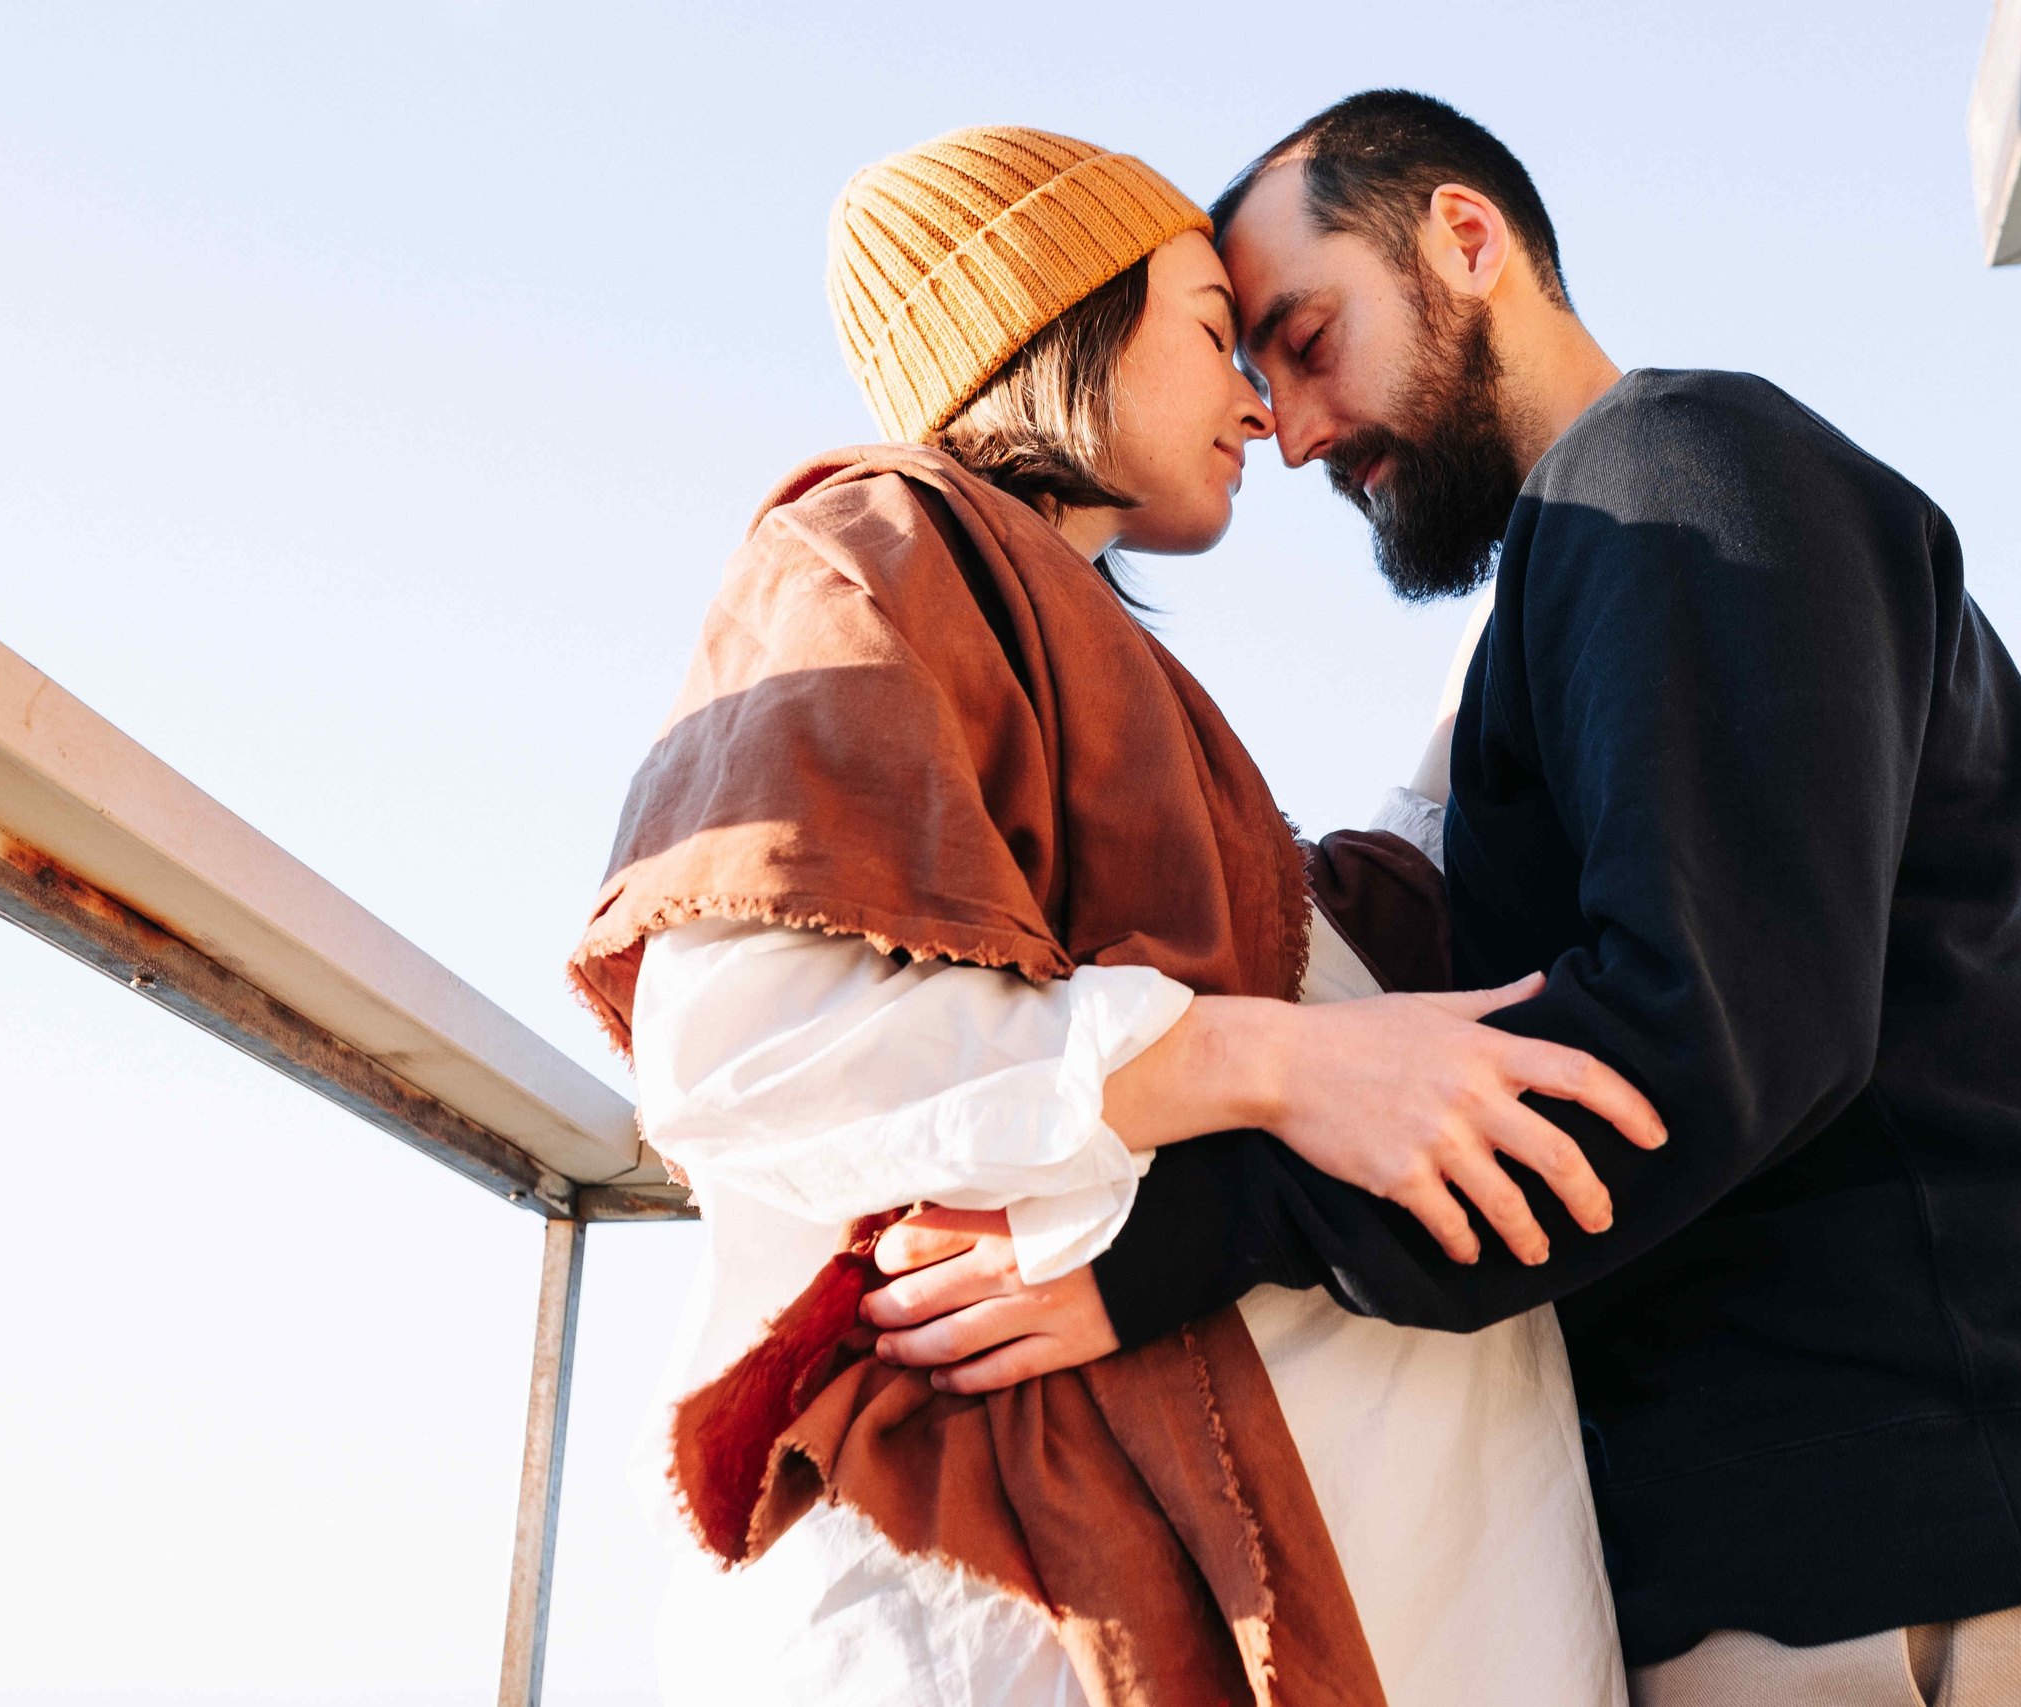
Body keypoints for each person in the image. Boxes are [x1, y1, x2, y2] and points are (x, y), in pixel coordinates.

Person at [866, 94, 2021, 1706]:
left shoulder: (1681, 473)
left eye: (1309, 338)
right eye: (1258, 376)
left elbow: (1705, 1029)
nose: (1299, 431)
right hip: (1829, 1520)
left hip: (1939, 1520)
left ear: (1467, 241)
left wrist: (1164, 1245)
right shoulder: (1599, 554)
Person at [569, 126, 1653, 1707]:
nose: (1260, 407)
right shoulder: (874, 550)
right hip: (1029, 1603)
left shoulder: (1078, 647)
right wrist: (1272, 1068)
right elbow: (750, 1043)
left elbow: (1330, 931)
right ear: (1052, 333)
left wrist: (1551, 576)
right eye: (1216, 333)